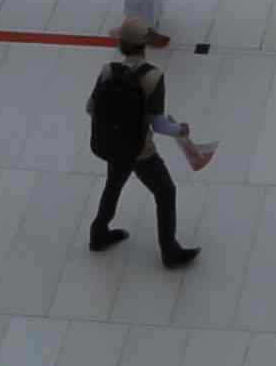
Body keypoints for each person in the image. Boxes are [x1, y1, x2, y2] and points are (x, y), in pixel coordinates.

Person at [85, 40, 202, 263]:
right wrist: (180, 130)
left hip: (114, 145)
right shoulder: (153, 77)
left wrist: (115, 125)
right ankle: (170, 251)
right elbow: (157, 124)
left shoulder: (108, 70)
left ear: (122, 46)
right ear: (143, 46)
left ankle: (98, 234)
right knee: (165, 192)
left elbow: (90, 108)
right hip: (140, 150)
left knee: (113, 185)